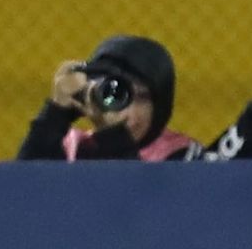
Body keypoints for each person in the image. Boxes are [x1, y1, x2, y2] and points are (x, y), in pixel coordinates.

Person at [17, 34, 203, 161]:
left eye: (142, 98)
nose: (128, 113)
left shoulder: (184, 157)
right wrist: (55, 115)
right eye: (116, 93)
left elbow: (140, 209)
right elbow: (21, 197)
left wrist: (113, 136)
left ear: (160, 106)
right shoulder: (72, 147)